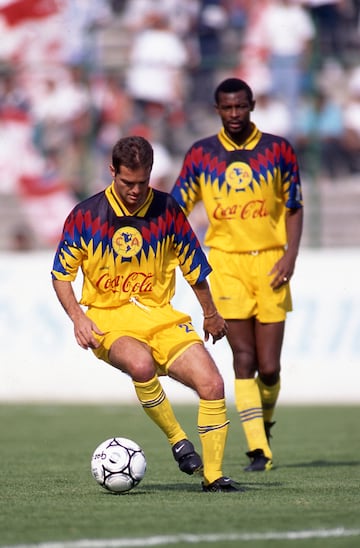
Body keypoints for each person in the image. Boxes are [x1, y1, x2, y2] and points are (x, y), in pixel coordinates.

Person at [51, 135, 240, 492]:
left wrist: (211, 313)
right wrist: (79, 317)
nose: (136, 191)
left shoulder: (167, 210)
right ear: (112, 172)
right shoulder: (86, 215)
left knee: (213, 384)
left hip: (160, 316)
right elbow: (61, 275)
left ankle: (213, 476)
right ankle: (178, 440)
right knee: (141, 365)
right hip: (108, 317)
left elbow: (194, 267)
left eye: (142, 182)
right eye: (127, 183)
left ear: (151, 173)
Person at [171, 78, 303, 471]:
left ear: (252, 105)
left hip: (270, 262)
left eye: (240, 107)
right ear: (216, 109)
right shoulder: (201, 155)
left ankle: (262, 422)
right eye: (226, 108)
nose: (234, 115)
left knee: (270, 367)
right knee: (242, 359)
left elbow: (294, 206)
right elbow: (176, 208)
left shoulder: (278, 150)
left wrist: (290, 257)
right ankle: (258, 449)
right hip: (225, 264)